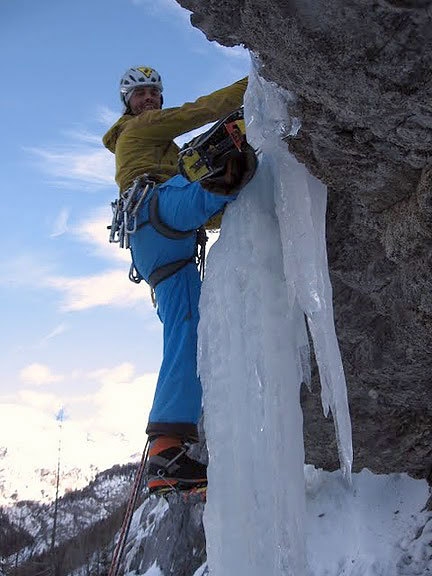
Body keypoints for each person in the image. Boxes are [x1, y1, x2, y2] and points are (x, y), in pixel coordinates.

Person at [102, 66, 255, 493]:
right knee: (225, 174)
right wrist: (257, 83)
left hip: (163, 252)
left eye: (153, 92)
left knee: (187, 334)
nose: (149, 99)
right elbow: (200, 111)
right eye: (140, 94)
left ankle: (167, 450)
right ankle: (229, 175)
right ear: (128, 103)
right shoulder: (138, 132)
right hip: (156, 213)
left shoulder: (167, 150)